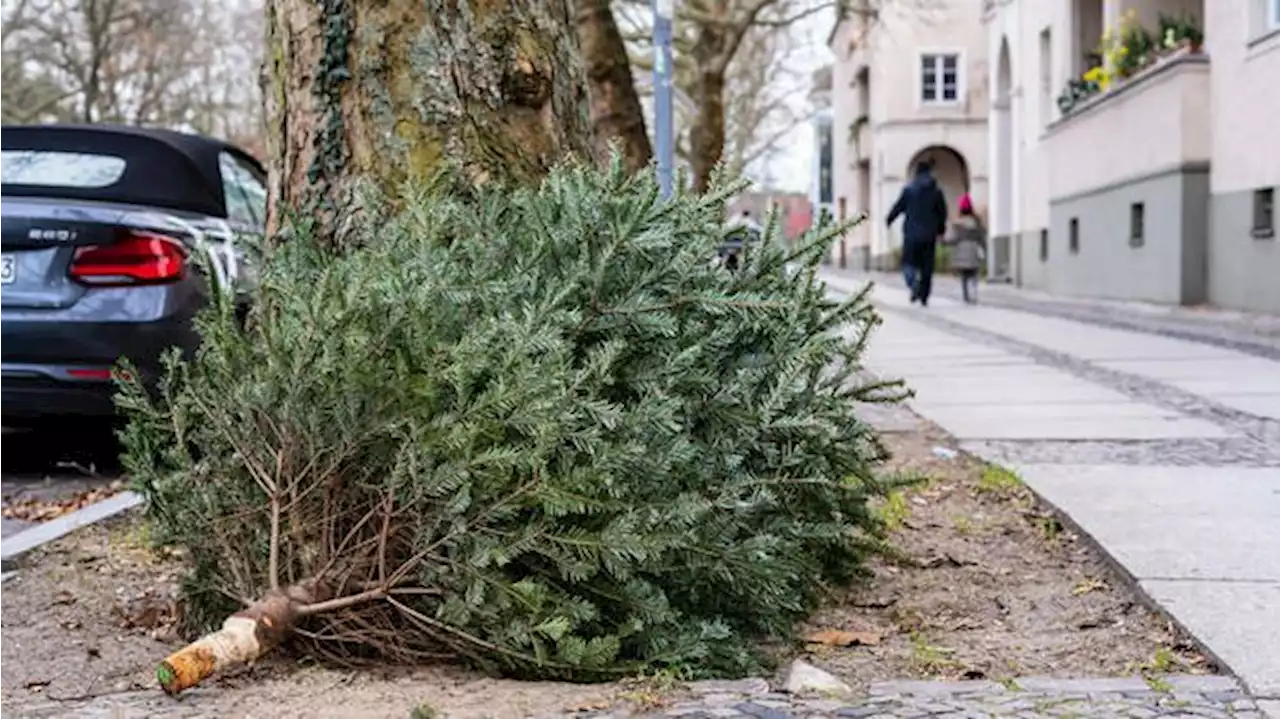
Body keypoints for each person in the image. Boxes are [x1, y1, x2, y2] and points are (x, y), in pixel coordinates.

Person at [886, 160, 948, 306]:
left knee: (908, 265)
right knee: (927, 267)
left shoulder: (909, 190)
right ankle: (924, 296)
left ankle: (914, 286)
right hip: (929, 235)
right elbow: (942, 213)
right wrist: (941, 230)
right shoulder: (936, 192)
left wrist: (889, 219)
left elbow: (898, 207)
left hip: (911, 235)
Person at [947, 193, 987, 304]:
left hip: (961, 251)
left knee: (964, 276)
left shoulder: (957, 224)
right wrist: (984, 248)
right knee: (973, 273)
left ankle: (966, 296)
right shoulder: (977, 222)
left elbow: (953, 238)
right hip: (973, 250)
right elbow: (982, 236)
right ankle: (973, 291)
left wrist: (945, 241)